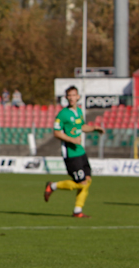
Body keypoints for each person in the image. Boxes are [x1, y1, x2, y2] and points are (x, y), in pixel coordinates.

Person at [43, 86, 104, 218]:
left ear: (78, 97)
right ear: (66, 97)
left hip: (80, 152)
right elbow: (56, 133)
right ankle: (52, 186)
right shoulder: (62, 114)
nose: (71, 97)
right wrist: (72, 139)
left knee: (87, 181)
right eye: (69, 95)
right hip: (71, 154)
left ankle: (77, 211)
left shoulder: (79, 111)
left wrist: (94, 128)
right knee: (81, 183)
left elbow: (82, 126)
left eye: (73, 95)